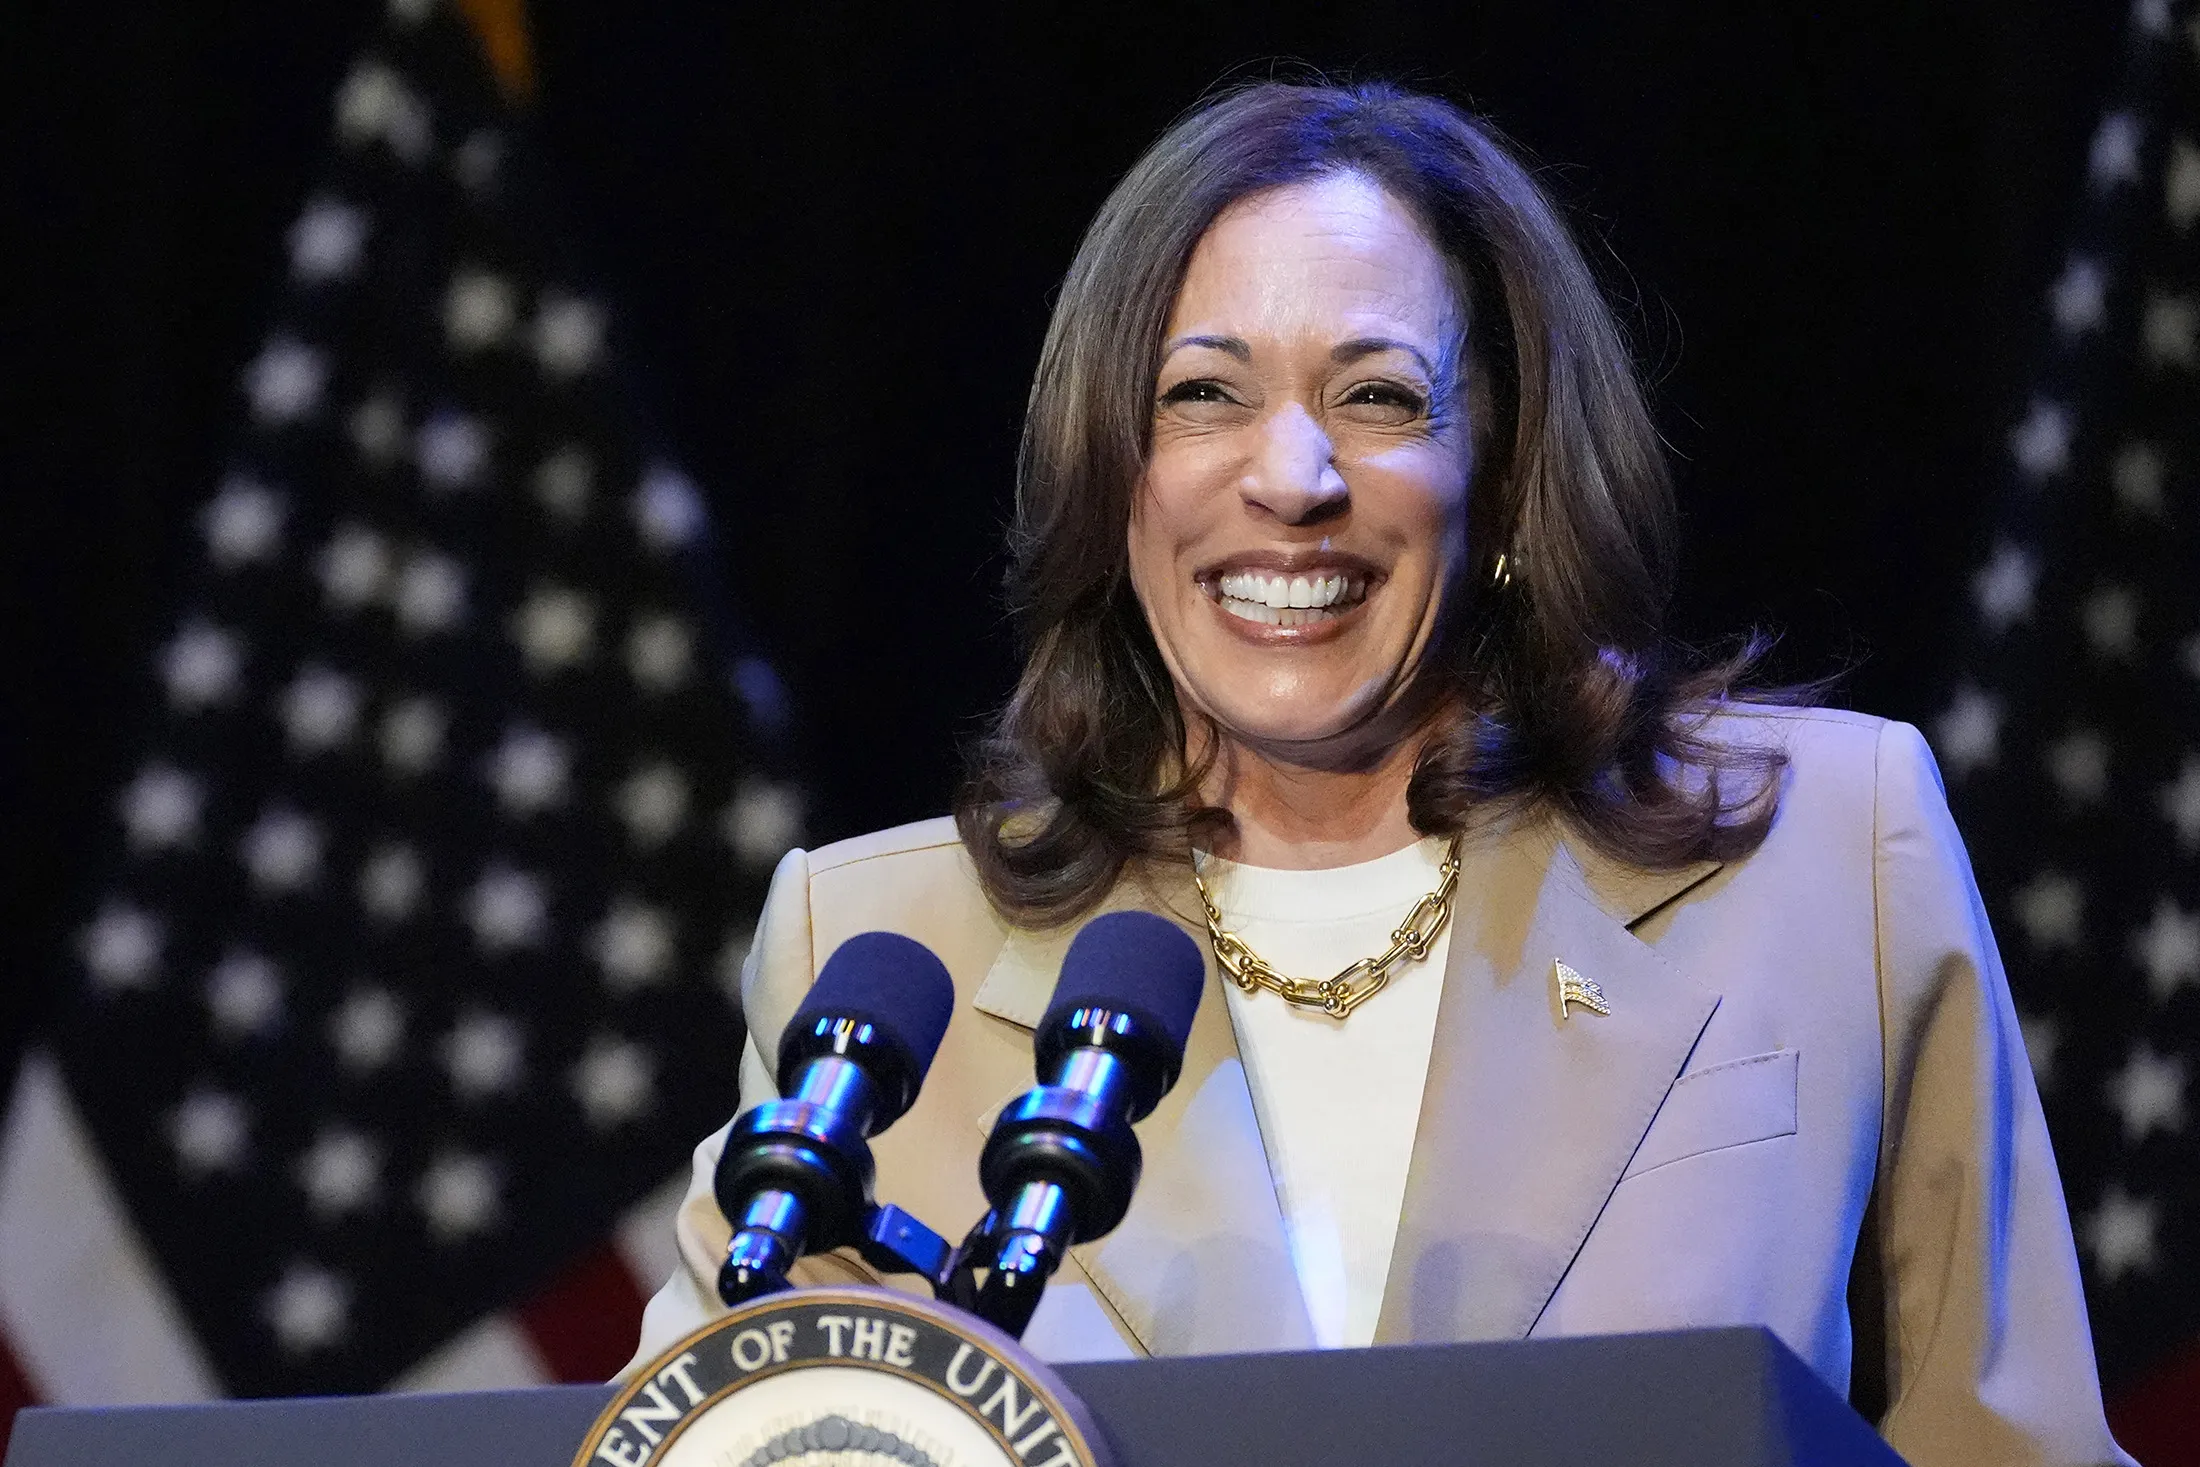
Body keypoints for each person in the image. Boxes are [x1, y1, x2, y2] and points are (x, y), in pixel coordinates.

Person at [628, 81, 2131, 1466]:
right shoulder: (883, 952)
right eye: (1202, 394)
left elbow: (2013, 1445)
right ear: (1115, 479)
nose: (1292, 478)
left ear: (1508, 476)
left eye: (1379, 397)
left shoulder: (1825, 852)